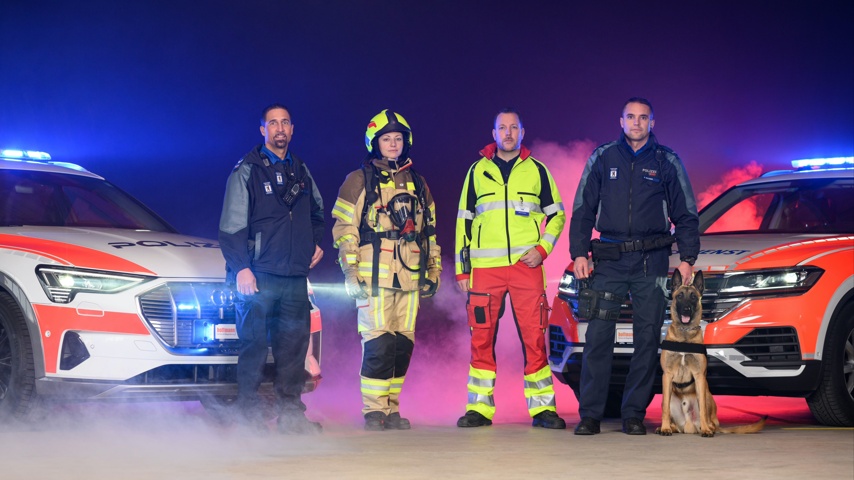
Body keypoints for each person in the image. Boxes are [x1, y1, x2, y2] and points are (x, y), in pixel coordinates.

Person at [568, 97, 700, 435]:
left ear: (652, 122)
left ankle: (633, 414)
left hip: (650, 262)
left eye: (643, 118)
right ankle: (590, 415)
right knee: (598, 336)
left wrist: (688, 259)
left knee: (646, 338)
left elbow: (686, 213)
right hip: (609, 260)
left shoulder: (666, 160)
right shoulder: (603, 157)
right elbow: (583, 209)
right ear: (621, 121)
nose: (636, 123)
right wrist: (579, 252)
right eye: (631, 117)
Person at [454, 108, 567, 429]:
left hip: (525, 269)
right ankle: (478, 409)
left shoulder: (538, 171)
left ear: (522, 132)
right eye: (502, 128)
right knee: (480, 338)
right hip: (484, 270)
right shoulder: (477, 171)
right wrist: (463, 270)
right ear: (493, 134)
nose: (507, 133)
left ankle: (543, 410)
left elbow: (557, 215)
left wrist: (542, 250)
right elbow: (463, 222)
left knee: (534, 338)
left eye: (513, 127)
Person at [218, 103, 325, 434]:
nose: (280, 128)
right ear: (262, 130)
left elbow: (317, 213)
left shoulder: (301, 170)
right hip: (258, 275)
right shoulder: (247, 170)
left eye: (285, 123)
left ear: (292, 129)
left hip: (294, 277)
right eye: (273, 123)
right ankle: (248, 416)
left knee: (292, 349)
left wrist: (314, 243)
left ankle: (291, 416)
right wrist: (241, 268)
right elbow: (231, 227)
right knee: (252, 347)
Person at [332, 109, 441, 431]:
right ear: (374, 143)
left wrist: (433, 270)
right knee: (378, 345)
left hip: (410, 276)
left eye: (397, 139)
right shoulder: (358, 180)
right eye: (386, 139)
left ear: (406, 142)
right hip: (373, 278)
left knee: (401, 346)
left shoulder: (418, 183)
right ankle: (373, 410)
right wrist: (350, 272)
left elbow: (429, 232)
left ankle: (392, 410)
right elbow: (345, 229)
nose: (393, 144)